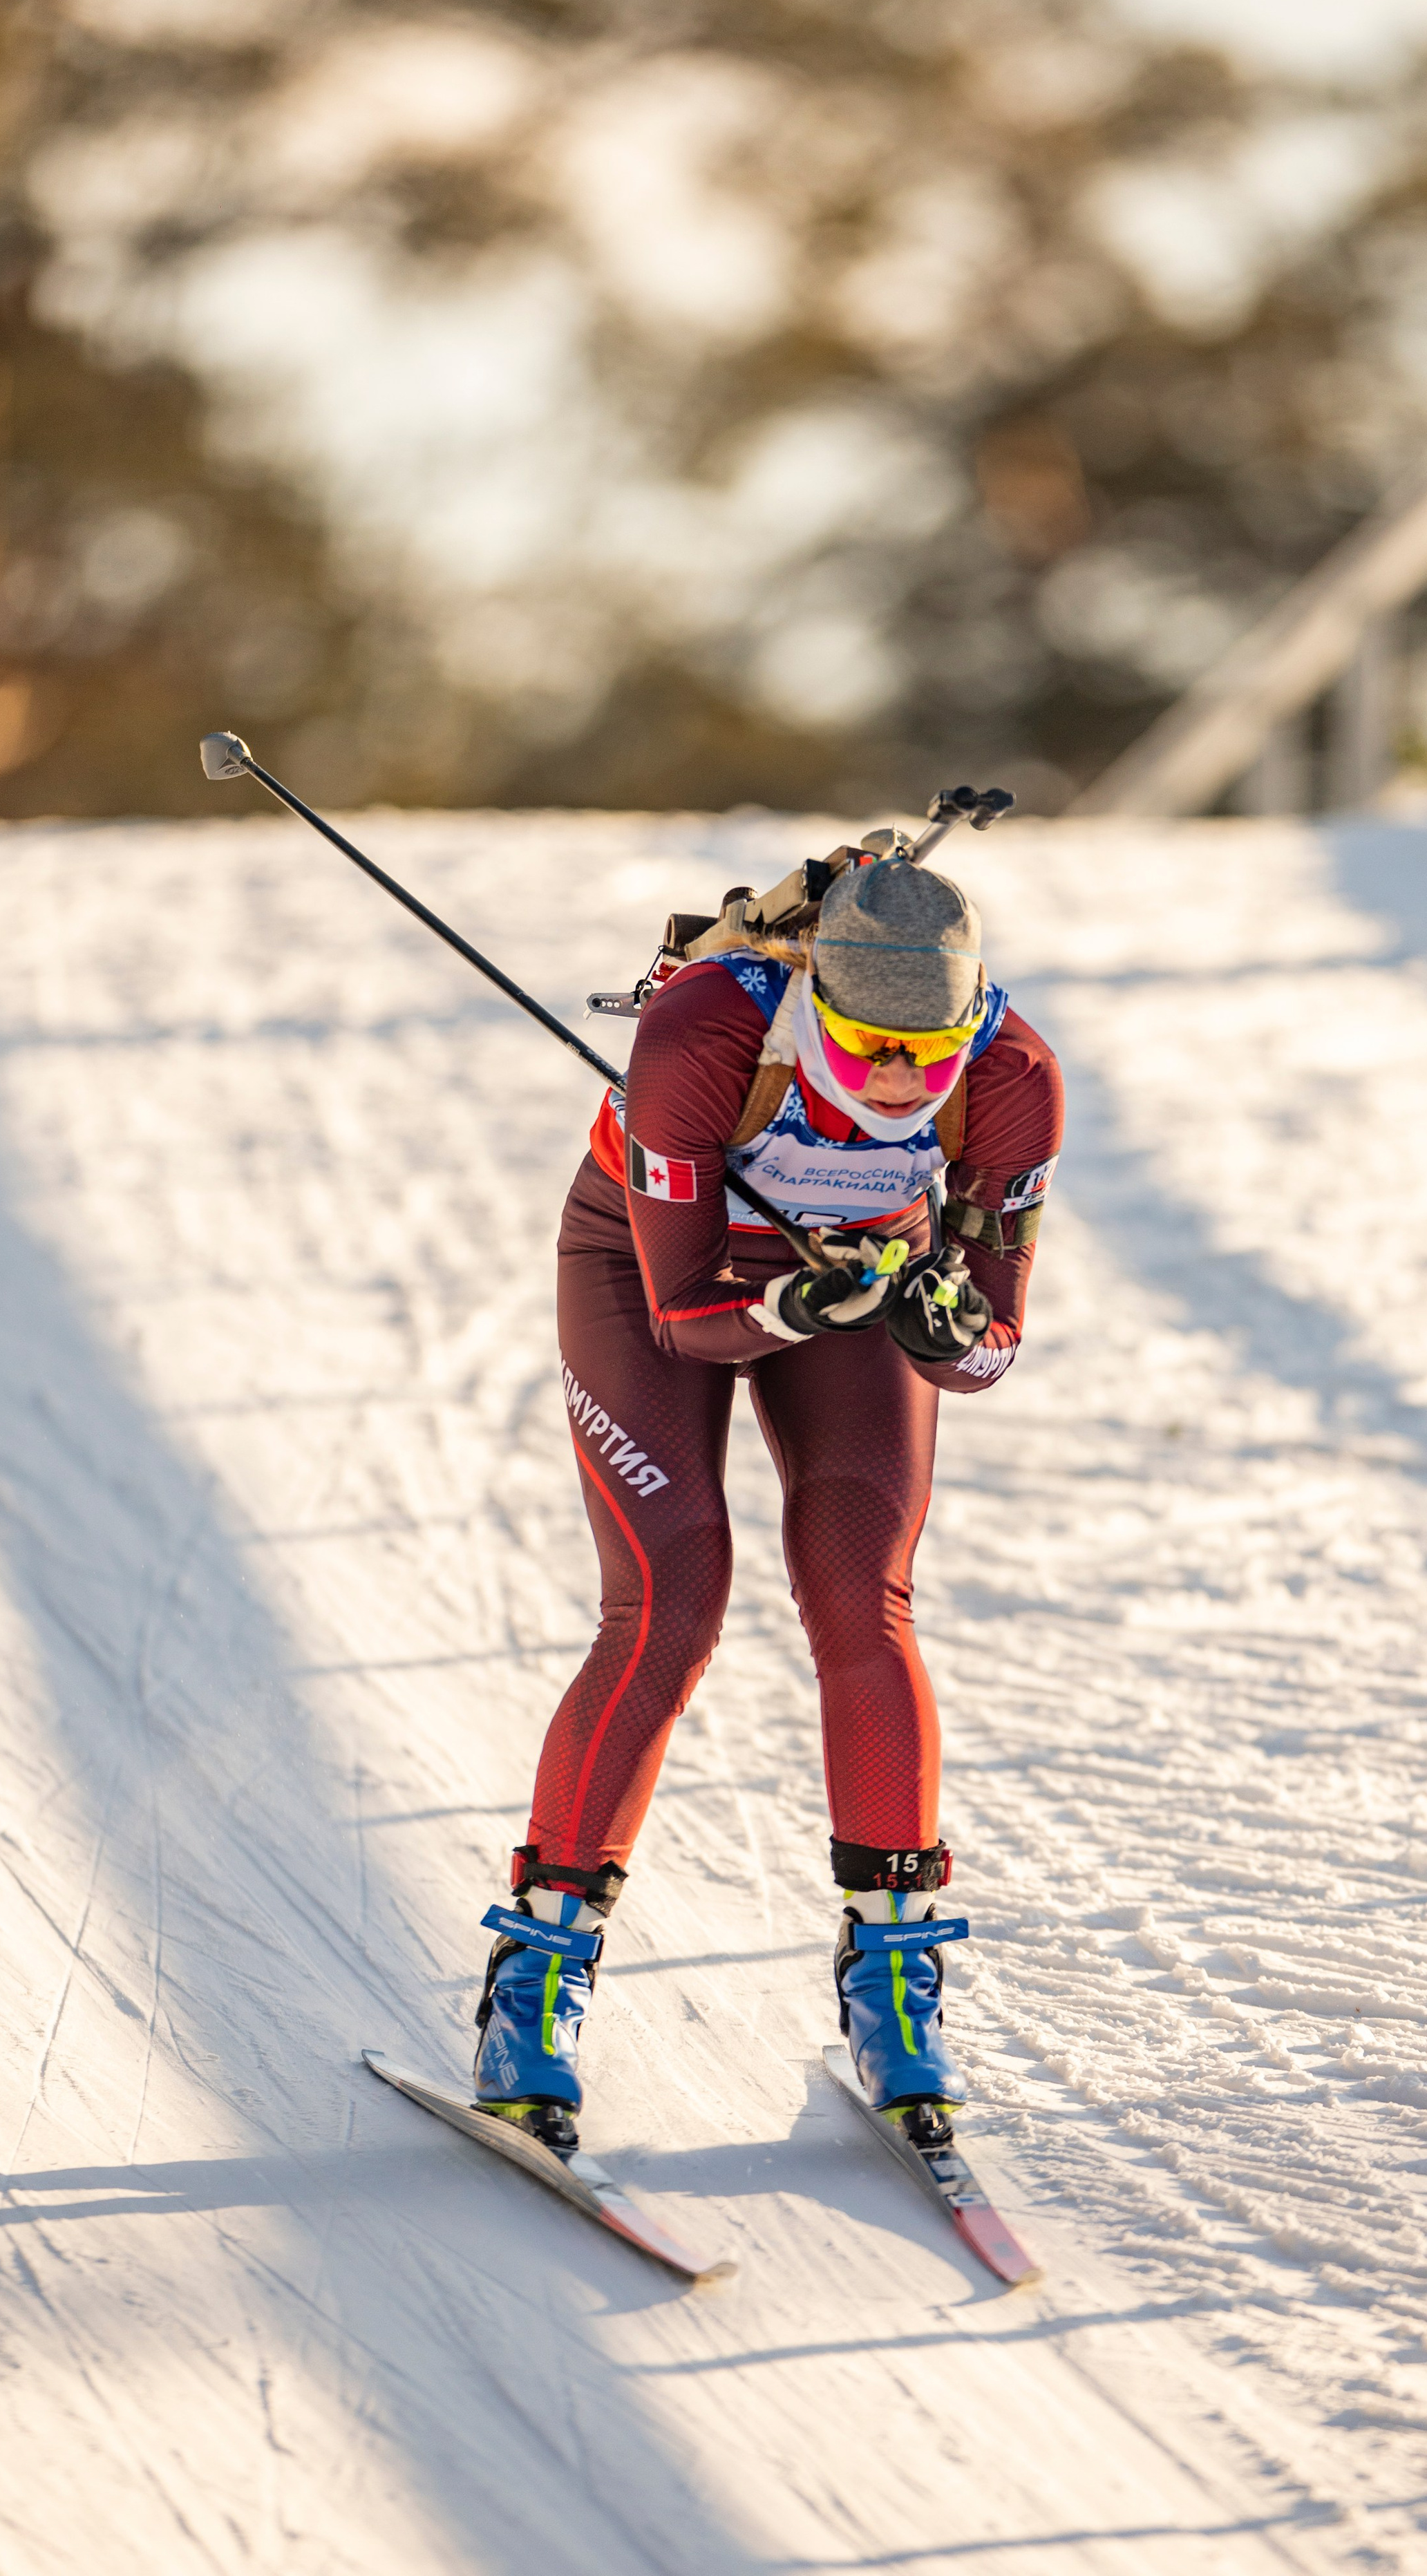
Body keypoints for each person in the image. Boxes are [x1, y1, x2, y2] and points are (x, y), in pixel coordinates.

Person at [472, 846, 1064, 2150]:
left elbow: (991, 1352)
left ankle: (895, 1981)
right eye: (870, 1046)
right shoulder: (706, 1034)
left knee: (865, 1596)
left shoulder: (1013, 1077)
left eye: (930, 1051)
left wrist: (940, 1326)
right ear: (817, 1005)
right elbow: (686, 1320)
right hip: (653, 1274)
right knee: (669, 1601)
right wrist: (796, 1304)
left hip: (853, 1284)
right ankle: (536, 1980)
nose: (901, 1078)